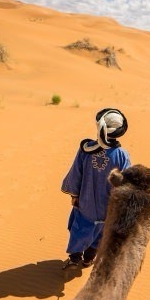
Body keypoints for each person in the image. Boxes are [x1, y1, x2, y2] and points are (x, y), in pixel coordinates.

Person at [61, 108, 131, 269]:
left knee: (80, 228)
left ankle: (74, 259)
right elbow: (126, 182)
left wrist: (74, 195)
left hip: (85, 203)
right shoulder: (122, 155)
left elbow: (76, 173)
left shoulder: (86, 149)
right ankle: (88, 259)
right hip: (108, 205)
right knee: (101, 232)